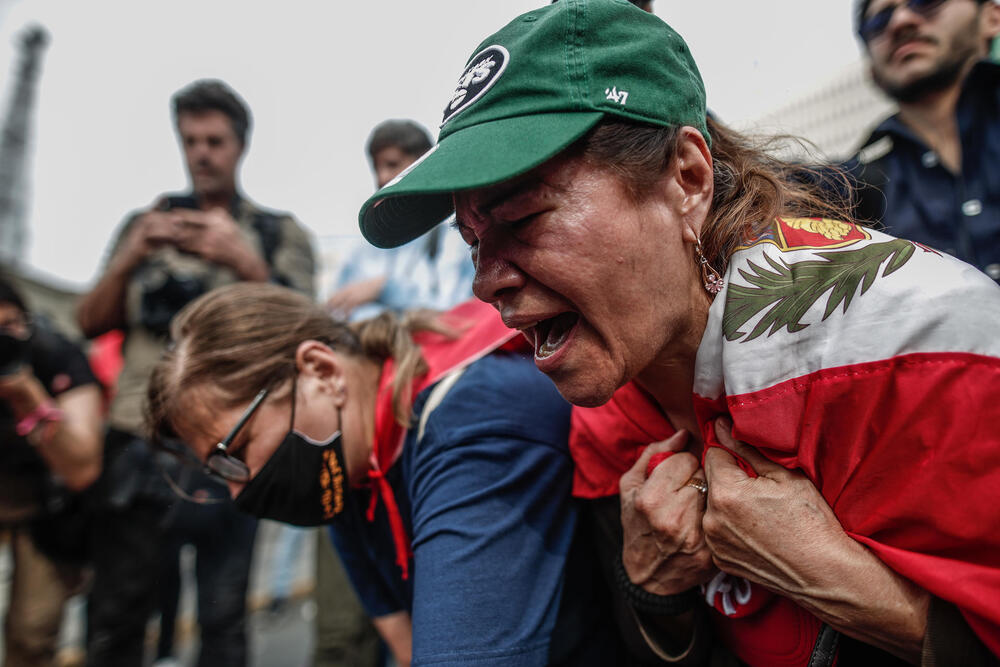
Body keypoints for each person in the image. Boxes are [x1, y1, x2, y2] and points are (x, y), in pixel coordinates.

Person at [357, 1, 1000, 664]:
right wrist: (654, 592)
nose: (485, 282)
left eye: (523, 220)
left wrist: (861, 594)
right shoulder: (608, 413)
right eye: (472, 241)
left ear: (687, 179)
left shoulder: (911, 357)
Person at [145, 282, 618, 666]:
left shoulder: (470, 418)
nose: (235, 488)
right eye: (218, 470)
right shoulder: (346, 468)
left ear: (321, 370)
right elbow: (405, 642)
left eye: (236, 451)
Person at [75, 79, 315, 667]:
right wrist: (132, 254)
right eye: (190, 141)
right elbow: (88, 321)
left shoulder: (277, 233)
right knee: (117, 616)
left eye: (214, 141)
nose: (201, 153)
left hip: (232, 447)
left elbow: (310, 334)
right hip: (140, 441)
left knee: (223, 617)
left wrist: (244, 261)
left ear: (240, 146)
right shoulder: (144, 226)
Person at [846, 0, 1000, 282]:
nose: (900, 21)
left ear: (993, 17)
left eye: (926, 2)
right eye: (878, 21)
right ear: (872, 73)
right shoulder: (854, 187)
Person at [0, 276, 103, 667]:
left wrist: (27, 396)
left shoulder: (54, 354)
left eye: (10, 327)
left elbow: (81, 467)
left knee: (33, 631)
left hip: (45, 506)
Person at [326, 119, 473, 321]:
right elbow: (338, 314)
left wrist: (384, 289)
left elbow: (458, 316)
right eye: (376, 168)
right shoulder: (362, 250)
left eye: (392, 165)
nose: (382, 177)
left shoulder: (459, 238)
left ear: (424, 164)